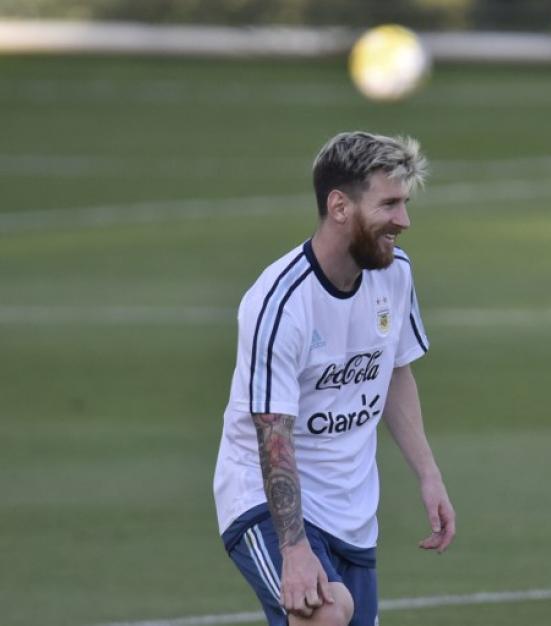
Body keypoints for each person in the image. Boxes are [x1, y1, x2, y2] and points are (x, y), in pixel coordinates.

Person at [213, 131, 456, 626]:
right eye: (389, 204)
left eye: (405, 203)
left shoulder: (395, 274)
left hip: (353, 512)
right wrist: (295, 549)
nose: (403, 221)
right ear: (340, 206)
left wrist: (429, 476)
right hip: (266, 502)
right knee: (324, 615)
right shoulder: (280, 303)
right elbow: (272, 431)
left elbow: (394, 371)